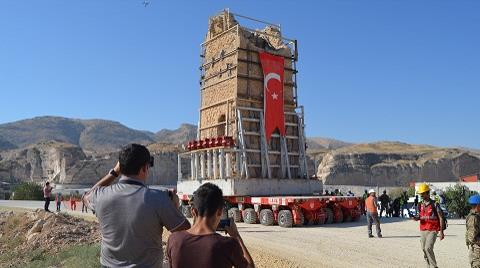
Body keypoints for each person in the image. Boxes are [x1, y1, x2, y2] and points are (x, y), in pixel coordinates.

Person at [83, 143, 190, 267]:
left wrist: (113, 173)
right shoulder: (158, 198)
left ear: (120, 167)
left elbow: (86, 197)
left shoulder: (100, 195)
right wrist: (174, 205)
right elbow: (183, 228)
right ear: (145, 168)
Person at [167, 183, 254, 268]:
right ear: (219, 212)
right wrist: (236, 236)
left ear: (193, 211)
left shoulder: (174, 240)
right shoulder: (228, 244)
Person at [413, 183, 445, 268]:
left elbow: (441, 218)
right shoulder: (420, 204)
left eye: (423, 193)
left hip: (433, 229)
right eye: (421, 194)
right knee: (424, 249)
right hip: (423, 229)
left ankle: (434, 266)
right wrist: (417, 218)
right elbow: (421, 215)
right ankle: (428, 266)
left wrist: (441, 232)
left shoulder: (435, 204)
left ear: (427, 193)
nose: (422, 195)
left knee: (428, 248)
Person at [466, 195, 480, 268]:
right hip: (477, 251)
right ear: (478, 205)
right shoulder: (473, 218)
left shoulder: (477, 216)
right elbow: (472, 238)